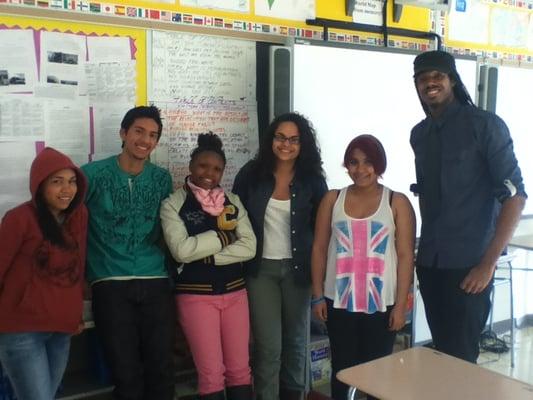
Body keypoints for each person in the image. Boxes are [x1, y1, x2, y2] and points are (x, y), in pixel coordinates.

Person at [410, 50, 527, 363]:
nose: (430, 83)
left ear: (452, 80)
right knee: (442, 355)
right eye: (423, 78)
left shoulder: (485, 126)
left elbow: (515, 196)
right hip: (431, 263)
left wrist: (488, 264)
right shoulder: (420, 135)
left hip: (470, 265)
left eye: (438, 76)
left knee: (461, 359)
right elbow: (427, 195)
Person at [310, 135, 415, 400]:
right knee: (342, 370)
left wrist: (401, 306)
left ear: (379, 165)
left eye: (368, 162)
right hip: (338, 302)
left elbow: (405, 257)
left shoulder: (397, 202)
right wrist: (318, 295)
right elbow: (319, 249)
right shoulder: (332, 199)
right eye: (354, 162)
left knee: (377, 373)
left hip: (381, 304)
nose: (360, 169)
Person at [82, 105, 176, 400]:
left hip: (155, 280)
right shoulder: (92, 175)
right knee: (125, 372)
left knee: (161, 368)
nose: (145, 140)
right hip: (110, 282)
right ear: (123, 133)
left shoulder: (162, 180)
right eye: (139, 131)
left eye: (153, 135)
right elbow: (73, 227)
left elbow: (165, 230)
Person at [232, 112, 327, 400]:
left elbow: (322, 230)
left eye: (294, 140)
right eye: (280, 137)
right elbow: (234, 218)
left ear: (303, 144)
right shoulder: (251, 174)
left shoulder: (312, 180)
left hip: (299, 272)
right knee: (268, 346)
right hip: (261, 271)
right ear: (271, 139)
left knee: (297, 343)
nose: (286, 144)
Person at [161, 132, 256, 400]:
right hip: (196, 297)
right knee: (212, 373)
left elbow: (249, 247)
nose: (209, 173)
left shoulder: (232, 201)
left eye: (217, 169)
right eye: (203, 166)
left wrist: (206, 254)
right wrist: (225, 238)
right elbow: (181, 250)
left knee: (240, 370)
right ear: (191, 166)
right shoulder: (173, 204)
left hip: (236, 294)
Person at [0, 147, 87, 400]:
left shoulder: (78, 216)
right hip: (22, 331)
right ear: (40, 185)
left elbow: (77, 269)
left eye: (72, 182)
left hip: (62, 329)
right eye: (57, 182)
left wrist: (76, 314)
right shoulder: (19, 218)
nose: (66, 190)